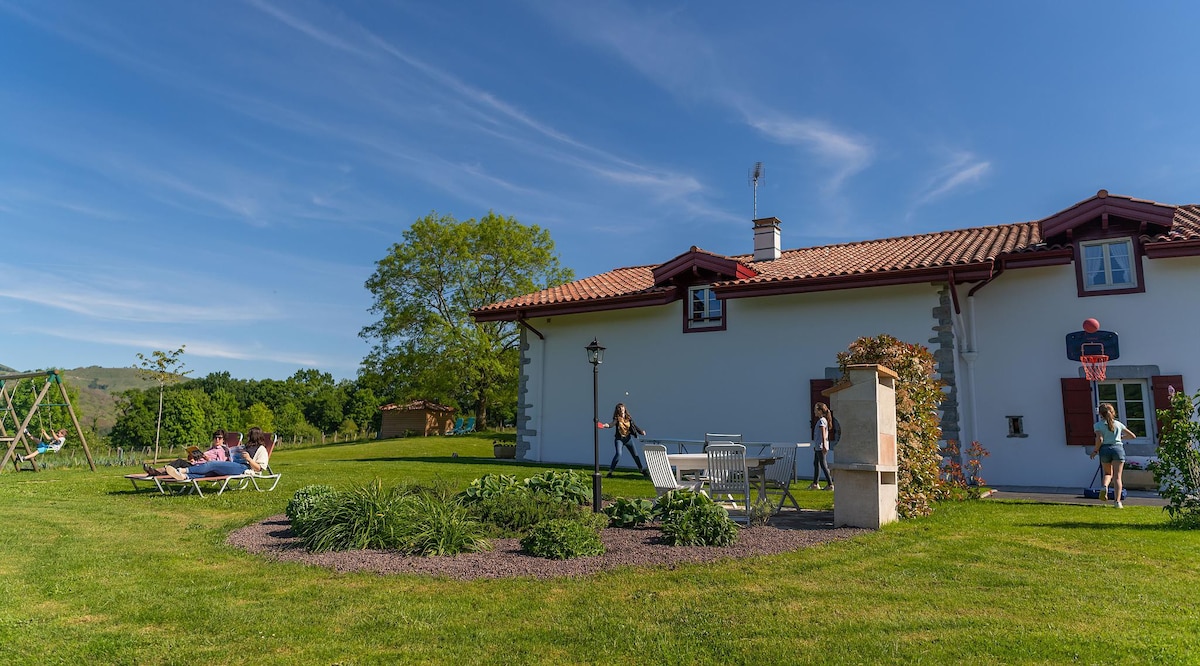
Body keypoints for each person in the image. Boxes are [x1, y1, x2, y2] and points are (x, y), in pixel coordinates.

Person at [165, 426, 269, 481]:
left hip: (245, 468)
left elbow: (260, 468)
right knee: (212, 471)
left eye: (249, 435)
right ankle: (185, 477)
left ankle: (183, 470)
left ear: (255, 436)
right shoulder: (246, 446)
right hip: (234, 464)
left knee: (213, 464)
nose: (247, 436)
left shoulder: (261, 449)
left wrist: (249, 459)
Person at [1090, 402, 1135, 508]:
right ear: (1113, 412)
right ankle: (1117, 502)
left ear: (1100, 414)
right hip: (1118, 449)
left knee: (1107, 473)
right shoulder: (1118, 424)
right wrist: (1120, 437)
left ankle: (1104, 487)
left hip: (1105, 449)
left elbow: (1100, 439)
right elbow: (1132, 436)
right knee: (1117, 477)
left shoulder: (1098, 425)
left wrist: (1095, 451)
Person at [143, 429, 230, 476]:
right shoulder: (211, 449)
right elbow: (199, 459)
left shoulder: (222, 450)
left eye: (220, 438)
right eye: (215, 437)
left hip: (203, 469)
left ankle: (157, 471)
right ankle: (157, 471)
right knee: (180, 463)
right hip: (196, 465)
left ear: (224, 439)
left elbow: (220, 465)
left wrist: (206, 458)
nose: (217, 439)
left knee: (179, 462)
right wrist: (193, 458)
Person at [599, 403, 648, 477]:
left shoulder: (628, 418)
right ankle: (610, 472)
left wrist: (641, 431)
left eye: (622, 408)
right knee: (618, 454)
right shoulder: (617, 419)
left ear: (624, 409)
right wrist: (605, 425)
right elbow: (611, 424)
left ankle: (641, 470)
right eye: (620, 408)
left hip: (628, 439)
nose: (621, 410)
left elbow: (634, 426)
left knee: (635, 455)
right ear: (618, 410)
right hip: (619, 439)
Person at [809, 403, 834, 490]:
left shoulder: (821, 421)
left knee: (823, 465)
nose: (814, 412)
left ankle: (830, 484)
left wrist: (823, 446)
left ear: (820, 411)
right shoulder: (822, 420)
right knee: (816, 463)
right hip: (818, 446)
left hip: (820, 446)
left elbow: (823, 434)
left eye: (815, 410)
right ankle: (815, 483)